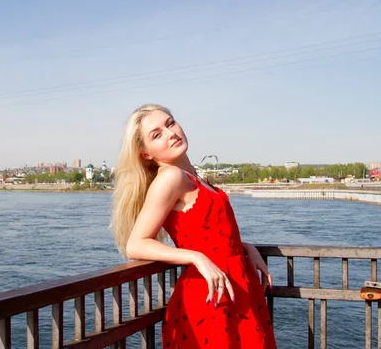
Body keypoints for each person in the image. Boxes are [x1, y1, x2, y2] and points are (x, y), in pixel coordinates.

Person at [111, 104, 277, 348]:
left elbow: (208, 234)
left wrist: (245, 248)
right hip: (209, 293)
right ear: (146, 153)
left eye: (170, 123)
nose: (170, 133)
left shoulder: (193, 177)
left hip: (234, 286)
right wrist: (197, 258)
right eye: (156, 135)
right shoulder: (171, 178)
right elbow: (135, 245)